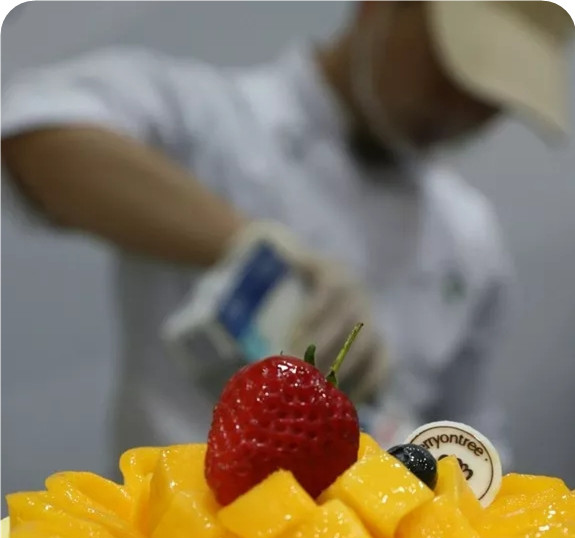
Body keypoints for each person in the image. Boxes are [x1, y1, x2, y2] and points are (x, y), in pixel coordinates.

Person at [2, 1, 573, 467]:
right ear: (378, 8)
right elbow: (32, 132)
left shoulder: (471, 242)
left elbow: (467, 431)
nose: (463, 109)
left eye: (493, 100)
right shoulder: (213, 122)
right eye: (453, 70)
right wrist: (246, 244)